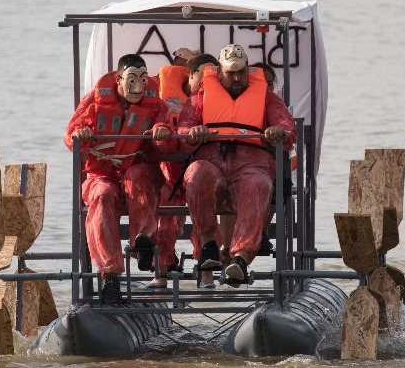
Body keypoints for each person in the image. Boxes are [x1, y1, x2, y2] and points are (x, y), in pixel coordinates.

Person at [178, 44, 296, 285]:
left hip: (251, 165)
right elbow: (183, 128)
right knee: (195, 173)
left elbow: (287, 127)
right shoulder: (200, 96)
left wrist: (278, 132)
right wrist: (192, 133)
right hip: (212, 164)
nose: (237, 77)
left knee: (259, 183)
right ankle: (209, 245)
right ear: (219, 72)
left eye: (241, 71)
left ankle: (240, 259)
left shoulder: (266, 97)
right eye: (231, 72)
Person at [64, 54, 173, 304]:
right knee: (102, 196)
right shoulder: (95, 100)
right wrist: (81, 134)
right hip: (103, 173)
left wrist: (162, 132)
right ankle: (109, 276)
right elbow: (71, 134)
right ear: (119, 78)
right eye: (132, 79)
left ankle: (143, 244)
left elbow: (166, 130)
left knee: (140, 177)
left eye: (143, 80)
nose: (138, 87)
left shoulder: (156, 103)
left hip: (137, 170)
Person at [149, 52, 220, 288]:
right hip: (170, 174)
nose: (208, 80)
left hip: (201, 175)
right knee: (164, 214)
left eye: (214, 75)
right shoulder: (164, 102)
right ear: (191, 75)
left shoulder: (217, 102)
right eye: (204, 75)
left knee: (204, 208)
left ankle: (205, 266)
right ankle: (162, 268)